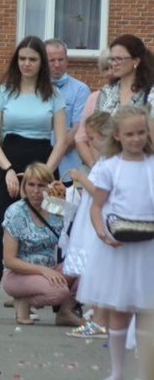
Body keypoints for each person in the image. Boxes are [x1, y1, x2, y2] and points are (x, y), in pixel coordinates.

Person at [0, 36, 67, 320]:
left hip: (44, 166)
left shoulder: (53, 95)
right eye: (22, 58)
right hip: (8, 162)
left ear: (42, 63)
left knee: (53, 232)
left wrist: (45, 176)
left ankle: (45, 300)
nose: (27, 64)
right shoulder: (4, 91)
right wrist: (6, 170)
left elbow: (62, 140)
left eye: (33, 59)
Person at [77, 105, 154, 380]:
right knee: (120, 309)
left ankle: (146, 372)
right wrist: (101, 233)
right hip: (119, 247)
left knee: (147, 310)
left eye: (141, 133)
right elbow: (97, 207)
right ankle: (118, 371)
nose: (136, 139)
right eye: (130, 134)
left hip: (148, 247)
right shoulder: (110, 167)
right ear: (118, 136)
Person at [1, 163, 83, 326]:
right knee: (59, 292)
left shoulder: (56, 207)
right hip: (18, 274)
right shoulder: (16, 212)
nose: (36, 191)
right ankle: (23, 301)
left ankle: (65, 311)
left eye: (41, 185)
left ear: (50, 186)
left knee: (84, 262)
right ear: (24, 186)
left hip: (49, 270)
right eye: (31, 185)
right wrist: (44, 271)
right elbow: (9, 261)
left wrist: (67, 193)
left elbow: (87, 204)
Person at [64, 111, 112, 339]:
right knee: (96, 272)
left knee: (102, 272)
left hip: (99, 221)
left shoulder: (111, 162)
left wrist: (82, 179)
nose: (90, 143)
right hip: (90, 218)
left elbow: (102, 193)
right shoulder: (102, 161)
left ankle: (102, 319)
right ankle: (98, 315)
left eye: (93, 138)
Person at [45, 39, 91, 180]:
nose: (57, 65)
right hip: (37, 162)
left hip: (67, 168)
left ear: (67, 60)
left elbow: (78, 129)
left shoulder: (80, 90)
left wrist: (55, 154)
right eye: (51, 60)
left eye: (61, 59)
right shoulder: (33, 89)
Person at [94, 34, 154, 127]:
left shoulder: (151, 93)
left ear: (136, 61)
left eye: (119, 59)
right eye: (112, 59)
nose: (114, 63)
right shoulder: (106, 92)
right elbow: (96, 128)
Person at [75, 49, 112, 169]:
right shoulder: (94, 98)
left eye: (112, 67)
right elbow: (81, 139)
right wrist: (95, 166)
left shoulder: (140, 97)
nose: (110, 73)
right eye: (106, 69)